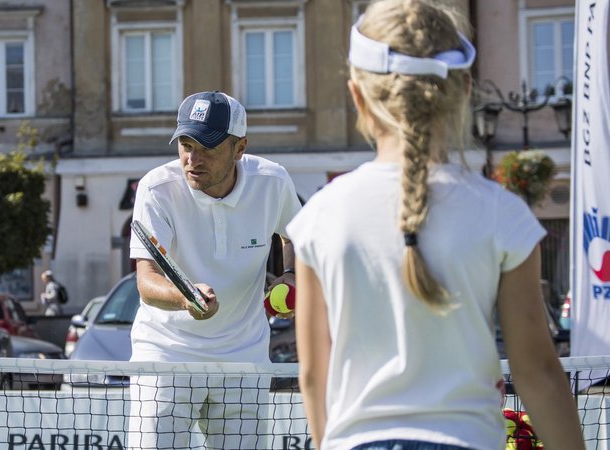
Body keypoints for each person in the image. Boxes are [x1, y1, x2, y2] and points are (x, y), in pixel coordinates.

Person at [287, 1, 585, 450]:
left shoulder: (320, 216)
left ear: (357, 95)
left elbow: (313, 373)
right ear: (465, 89)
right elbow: (537, 371)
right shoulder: (502, 214)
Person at [128, 90, 302, 449]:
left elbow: (296, 236)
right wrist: (185, 299)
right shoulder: (156, 189)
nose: (193, 159)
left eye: (207, 147)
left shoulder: (274, 181)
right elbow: (146, 281)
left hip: (244, 357)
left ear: (239, 148)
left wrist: (292, 273)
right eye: (186, 144)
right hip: (166, 354)